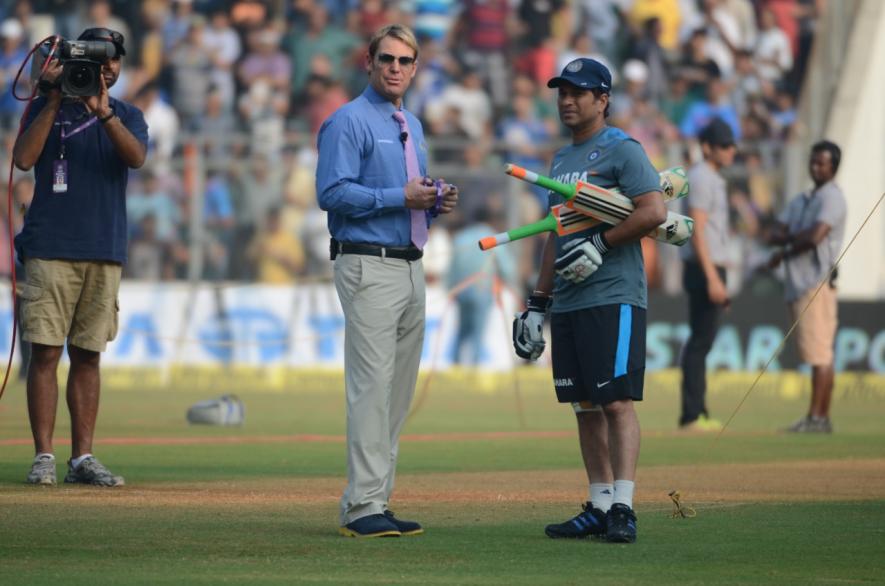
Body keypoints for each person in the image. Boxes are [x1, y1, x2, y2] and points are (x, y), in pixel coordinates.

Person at [513, 58, 667, 544]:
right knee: (584, 405)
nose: (566, 100)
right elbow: (554, 235)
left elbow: (654, 211)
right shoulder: (560, 161)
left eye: (578, 92)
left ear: (603, 100)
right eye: (562, 92)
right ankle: (599, 505)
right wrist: (538, 302)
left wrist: (602, 244)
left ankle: (624, 505)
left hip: (614, 295)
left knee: (616, 401)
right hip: (571, 300)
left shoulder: (624, 150)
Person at [315, 24, 458, 538]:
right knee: (371, 389)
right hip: (367, 263)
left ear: (416, 68)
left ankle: (376, 497)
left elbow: (408, 195)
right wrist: (401, 197)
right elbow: (330, 192)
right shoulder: (346, 122)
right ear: (369, 63)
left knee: (396, 392)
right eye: (387, 59)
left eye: (405, 61)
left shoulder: (412, 124)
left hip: (410, 261)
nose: (396, 68)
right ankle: (360, 507)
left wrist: (434, 201)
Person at [12, 28, 148, 486]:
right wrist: (53, 97)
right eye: (93, 60)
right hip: (50, 245)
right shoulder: (44, 108)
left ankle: (82, 458)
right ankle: (44, 457)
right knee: (46, 353)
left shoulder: (127, 113)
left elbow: (135, 158)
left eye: (112, 60)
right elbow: (24, 159)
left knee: (88, 355)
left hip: (103, 247)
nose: (104, 68)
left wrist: (103, 111)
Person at [767, 141, 847, 433]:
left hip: (817, 282)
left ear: (833, 167)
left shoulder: (832, 198)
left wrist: (785, 247)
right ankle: (817, 418)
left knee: (821, 353)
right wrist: (789, 239)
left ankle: (818, 418)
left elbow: (814, 237)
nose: (815, 167)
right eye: (813, 162)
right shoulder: (803, 199)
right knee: (815, 353)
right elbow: (775, 230)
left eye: (821, 163)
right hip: (798, 282)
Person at [678, 118, 736, 431]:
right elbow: (698, 230)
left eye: (732, 144)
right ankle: (691, 414)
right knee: (701, 340)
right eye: (725, 145)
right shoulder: (701, 176)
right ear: (707, 147)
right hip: (704, 267)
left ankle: (696, 410)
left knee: (702, 339)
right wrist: (713, 277)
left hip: (709, 266)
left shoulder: (711, 177)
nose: (732, 150)